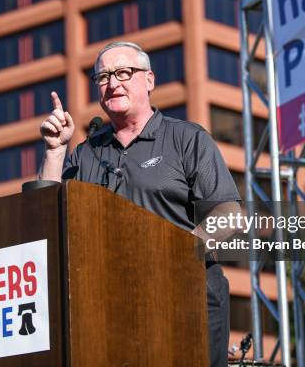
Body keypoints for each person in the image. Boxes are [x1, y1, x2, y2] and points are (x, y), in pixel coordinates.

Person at [38, 41, 240, 366]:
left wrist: (176, 253)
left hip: (187, 295)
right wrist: (54, 152)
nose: (113, 83)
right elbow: (44, 216)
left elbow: (228, 214)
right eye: (103, 77)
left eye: (123, 72)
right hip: (114, 304)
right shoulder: (86, 153)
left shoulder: (187, 139)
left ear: (149, 80)